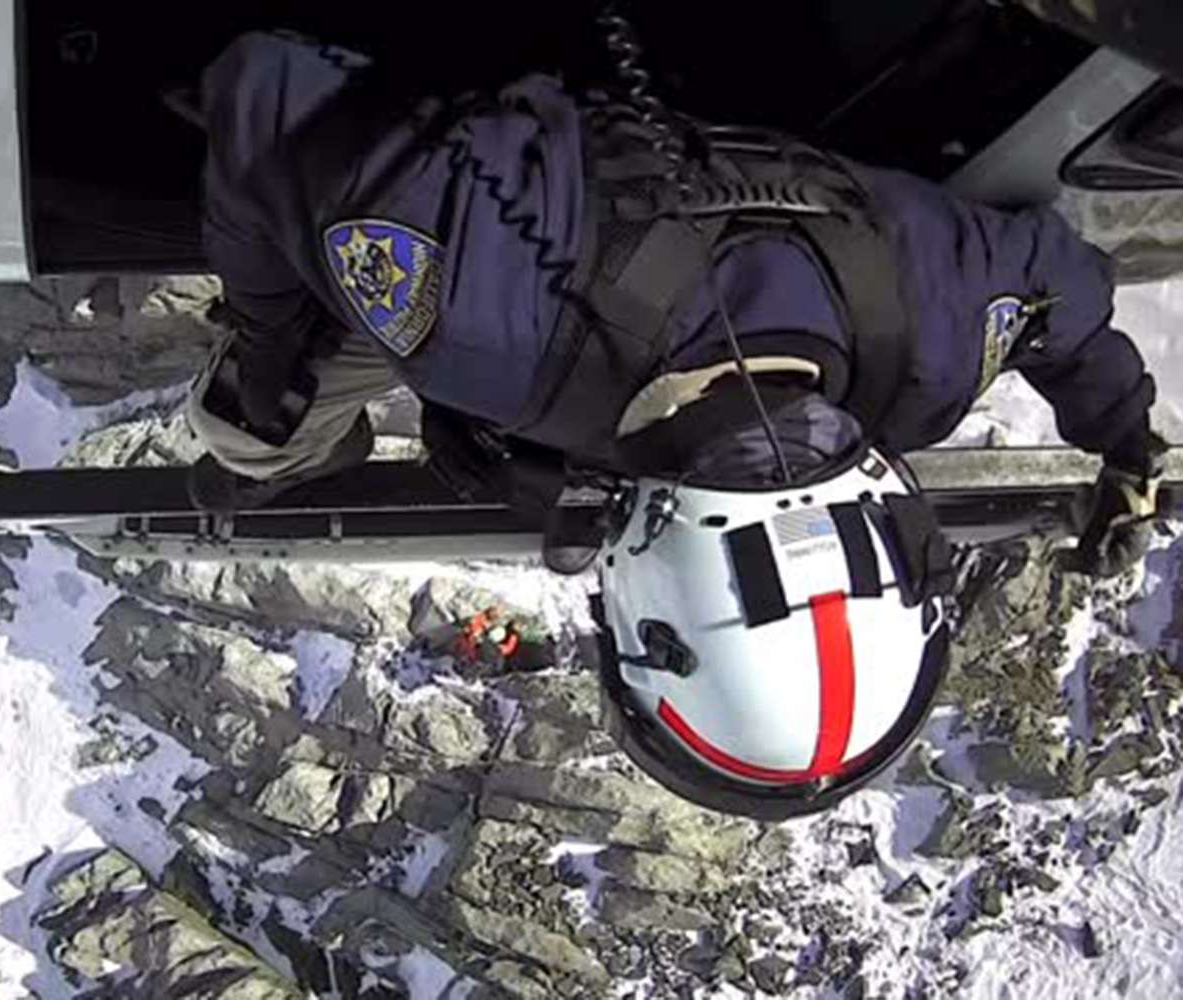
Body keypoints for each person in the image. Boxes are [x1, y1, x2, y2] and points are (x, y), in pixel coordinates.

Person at [183, 30, 1165, 818]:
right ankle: (280, 449)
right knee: (249, 428)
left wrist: (1124, 440)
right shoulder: (475, 329)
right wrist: (269, 344)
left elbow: (1063, 292)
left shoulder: (936, 353)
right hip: (524, 210)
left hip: (764, 101)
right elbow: (258, 87)